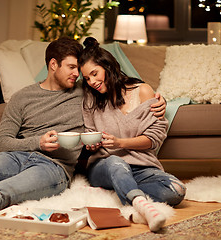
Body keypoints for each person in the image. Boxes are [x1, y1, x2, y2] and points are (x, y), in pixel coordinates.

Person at [0, 37, 167, 234]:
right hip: (18, 156)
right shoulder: (22, 97)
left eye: (79, 70)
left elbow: (117, 88)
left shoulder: (85, 91)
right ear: (52, 65)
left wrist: (159, 99)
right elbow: (1, 143)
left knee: (3, 190)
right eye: (70, 68)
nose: (77, 75)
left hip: (53, 167)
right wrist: (38, 142)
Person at [78, 37, 186, 232]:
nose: (92, 82)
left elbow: (153, 139)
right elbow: (89, 133)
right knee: (116, 163)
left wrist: (120, 142)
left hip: (140, 166)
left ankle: (118, 190)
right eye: (87, 78)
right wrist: (91, 144)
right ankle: (142, 207)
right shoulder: (90, 100)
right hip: (105, 166)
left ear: (108, 66)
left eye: (94, 73)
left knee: (177, 191)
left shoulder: (142, 91)